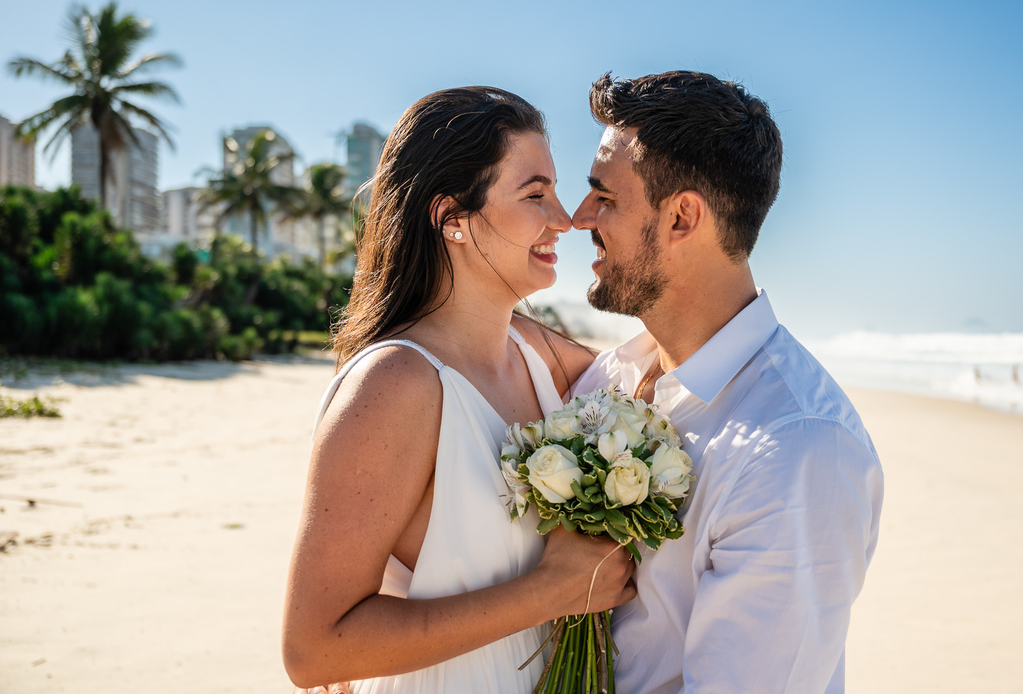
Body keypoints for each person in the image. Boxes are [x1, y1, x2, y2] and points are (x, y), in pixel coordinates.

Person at [282, 87, 635, 693]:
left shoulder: (539, 354)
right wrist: (550, 593)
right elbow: (314, 650)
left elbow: (657, 368)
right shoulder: (393, 384)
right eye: (535, 195)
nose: (564, 218)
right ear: (453, 219)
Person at [569, 71, 885, 693]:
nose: (580, 218)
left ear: (683, 216)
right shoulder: (606, 378)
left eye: (604, 197)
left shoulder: (798, 448)